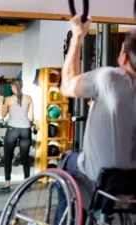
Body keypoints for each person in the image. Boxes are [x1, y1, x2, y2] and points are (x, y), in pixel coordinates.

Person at [55, 14, 136, 224]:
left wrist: (78, 36)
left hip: (100, 178)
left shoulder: (110, 78)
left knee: (65, 162)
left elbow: (66, 86)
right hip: (131, 182)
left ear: (124, 58)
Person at [0, 78, 34, 193]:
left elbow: (2, 115)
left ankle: (7, 184)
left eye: (11, 87)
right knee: (25, 157)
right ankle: (27, 184)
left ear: (15, 87)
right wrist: (26, 125)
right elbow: (31, 116)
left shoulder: (9, 99)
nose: (11, 88)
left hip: (12, 130)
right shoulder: (29, 98)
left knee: (8, 157)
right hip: (26, 130)